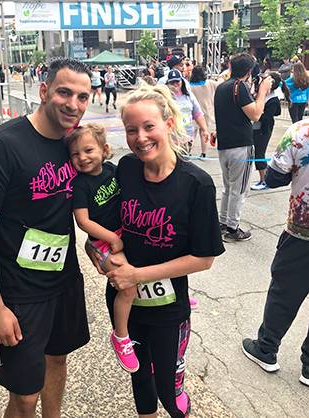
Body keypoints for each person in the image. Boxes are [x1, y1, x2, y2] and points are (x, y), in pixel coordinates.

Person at [0, 58, 92, 418]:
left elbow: (78, 203)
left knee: (57, 360)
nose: (73, 104)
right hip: (18, 293)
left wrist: (97, 242)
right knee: (23, 395)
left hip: (64, 282)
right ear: (44, 91)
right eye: (65, 92)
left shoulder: (73, 144)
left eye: (83, 96)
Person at [93, 83, 224, 418]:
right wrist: (102, 256)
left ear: (168, 123)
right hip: (125, 302)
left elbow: (204, 258)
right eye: (131, 129)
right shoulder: (125, 169)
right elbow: (101, 229)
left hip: (168, 310)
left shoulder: (196, 183)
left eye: (148, 126)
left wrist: (137, 274)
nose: (140, 138)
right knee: (139, 377)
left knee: (169, 387)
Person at [66, 124, 139, 373]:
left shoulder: (112, 170)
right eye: (75, 154)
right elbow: (83, 221)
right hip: (103, 243)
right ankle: (121, 336)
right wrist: (111, 238)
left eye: (88, 150)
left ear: (104, 149)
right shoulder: (79, 185)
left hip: (125, 233)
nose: (82, 157)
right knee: (127, 286)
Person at [242, 119, 309, 388]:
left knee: (284, 292)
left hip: (301, 233)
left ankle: (267, 348)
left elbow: (274, 177)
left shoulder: (300, 132)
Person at [214, 53, 272, 242]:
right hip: (241, 145)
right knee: (239, 189)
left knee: (229, 187)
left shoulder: (222, 87)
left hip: (225, 145)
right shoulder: (239, 87)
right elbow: (255, 114)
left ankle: (224, 222)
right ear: (249, 71)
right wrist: (263, 91)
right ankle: (233, 227)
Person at [250, 72, 290, 190]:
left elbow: (267, 118)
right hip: (256, 128)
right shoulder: (261, 95)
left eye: (265, 79)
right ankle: (265, 178)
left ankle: (264, 180)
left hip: (263, 130)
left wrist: (256, 113)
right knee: (256, 153)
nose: (261, 80)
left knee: (259, 154)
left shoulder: (272, 100)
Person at [166, 69, 210, 155]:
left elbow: (198, 114)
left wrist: (204, 130)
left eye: (177, 81)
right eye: (172, 82)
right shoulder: (165, 97)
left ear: (181, 81)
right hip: (171, 139)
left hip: (187, 138)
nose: (175, 84)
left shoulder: (189, 95)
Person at [190, 65, 220, 158]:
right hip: (207, 111)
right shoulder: (210, 83)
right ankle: (203, 153)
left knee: (192, 133)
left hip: (194, 112)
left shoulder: (190, 86)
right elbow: (221, 86)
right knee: (204, 132)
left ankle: (188, 151)